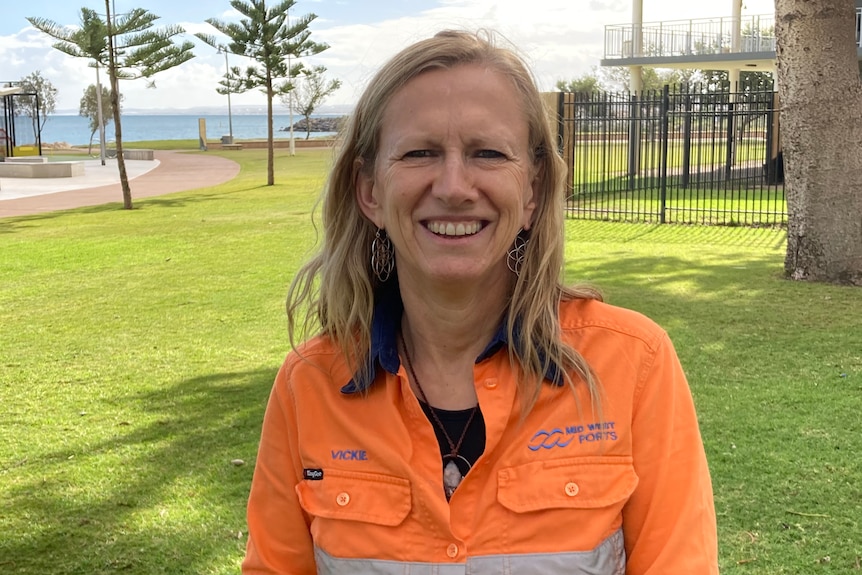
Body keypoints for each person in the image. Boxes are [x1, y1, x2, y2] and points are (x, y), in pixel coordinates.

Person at [242, 29, 718, 574]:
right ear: (370, 191)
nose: (454, 186)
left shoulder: (634, 364)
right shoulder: (309, 384)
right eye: (420, 152)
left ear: (533, 191)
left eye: (487, 153)